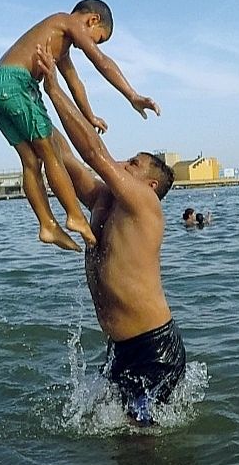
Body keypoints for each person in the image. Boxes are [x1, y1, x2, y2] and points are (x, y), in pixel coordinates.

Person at [37, 45, 185, 427]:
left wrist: (56, 89)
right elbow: (69, 157)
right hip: (121, 348)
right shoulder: (104, 200)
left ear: (150, 183)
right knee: (118, 439)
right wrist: (30, 106)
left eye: (132, 164)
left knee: (141, 450)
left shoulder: (145, 205)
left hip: (153, 349)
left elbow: (94, 152)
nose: (121, 164)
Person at [0, 0, 160, 252]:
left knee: (31, 162)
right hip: (16, 85)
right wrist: (132, 95)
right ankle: (75, 216)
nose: (91, 44)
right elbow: (101, 61)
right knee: (51, 151)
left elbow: (75, 83)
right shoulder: (65, 21)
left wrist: (90, 116)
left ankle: (47, 224)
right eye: (96, 38)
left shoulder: (59, 45)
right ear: (92, 20)